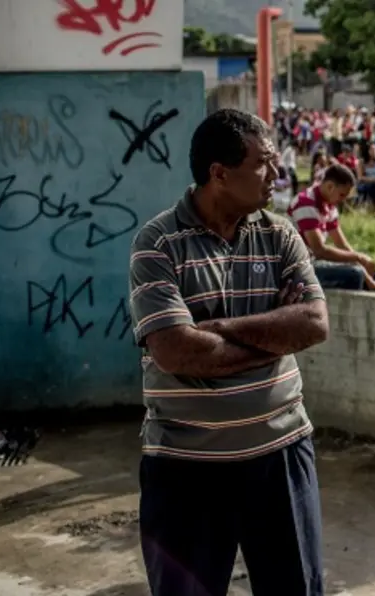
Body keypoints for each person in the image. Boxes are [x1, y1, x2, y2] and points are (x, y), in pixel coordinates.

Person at [128, 109, 328, 595]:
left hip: (281, 456)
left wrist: (217, 330)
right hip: (185, 467)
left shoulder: (278, 235)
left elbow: (314, 323)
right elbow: (176, 351)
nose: (277, 175)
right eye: (264, 163)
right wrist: (272, 342)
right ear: (219, 173)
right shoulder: (157, 244)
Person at [289, 164, 375, 291]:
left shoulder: (329, 205)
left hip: (313, 262)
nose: (343, 200)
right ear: (330, 186)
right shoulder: (305, 203)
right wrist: (358, 258)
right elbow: (319, 250)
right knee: (355, 275)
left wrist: (362, 263)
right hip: (298, 268)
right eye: (342, 195)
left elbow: (341, 244)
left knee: (367, 266)